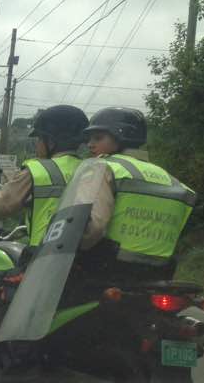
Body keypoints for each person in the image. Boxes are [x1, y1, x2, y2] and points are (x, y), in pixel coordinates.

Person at [75, 107, 195, 282]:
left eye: (98, 137)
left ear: (120, 137)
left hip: (106, 269)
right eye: (89, 139)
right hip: (161, 272)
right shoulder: (172, 180)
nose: (90, 144)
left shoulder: (104, 167)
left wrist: (75, 247)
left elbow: (94, 227)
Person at [0, 105, 89, 256]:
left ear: (51, 141)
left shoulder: (40, 170)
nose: (37, 144)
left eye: (40, 138)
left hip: (44, 259)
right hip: (80, 259)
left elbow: (2, 202)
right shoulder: (91, 169)